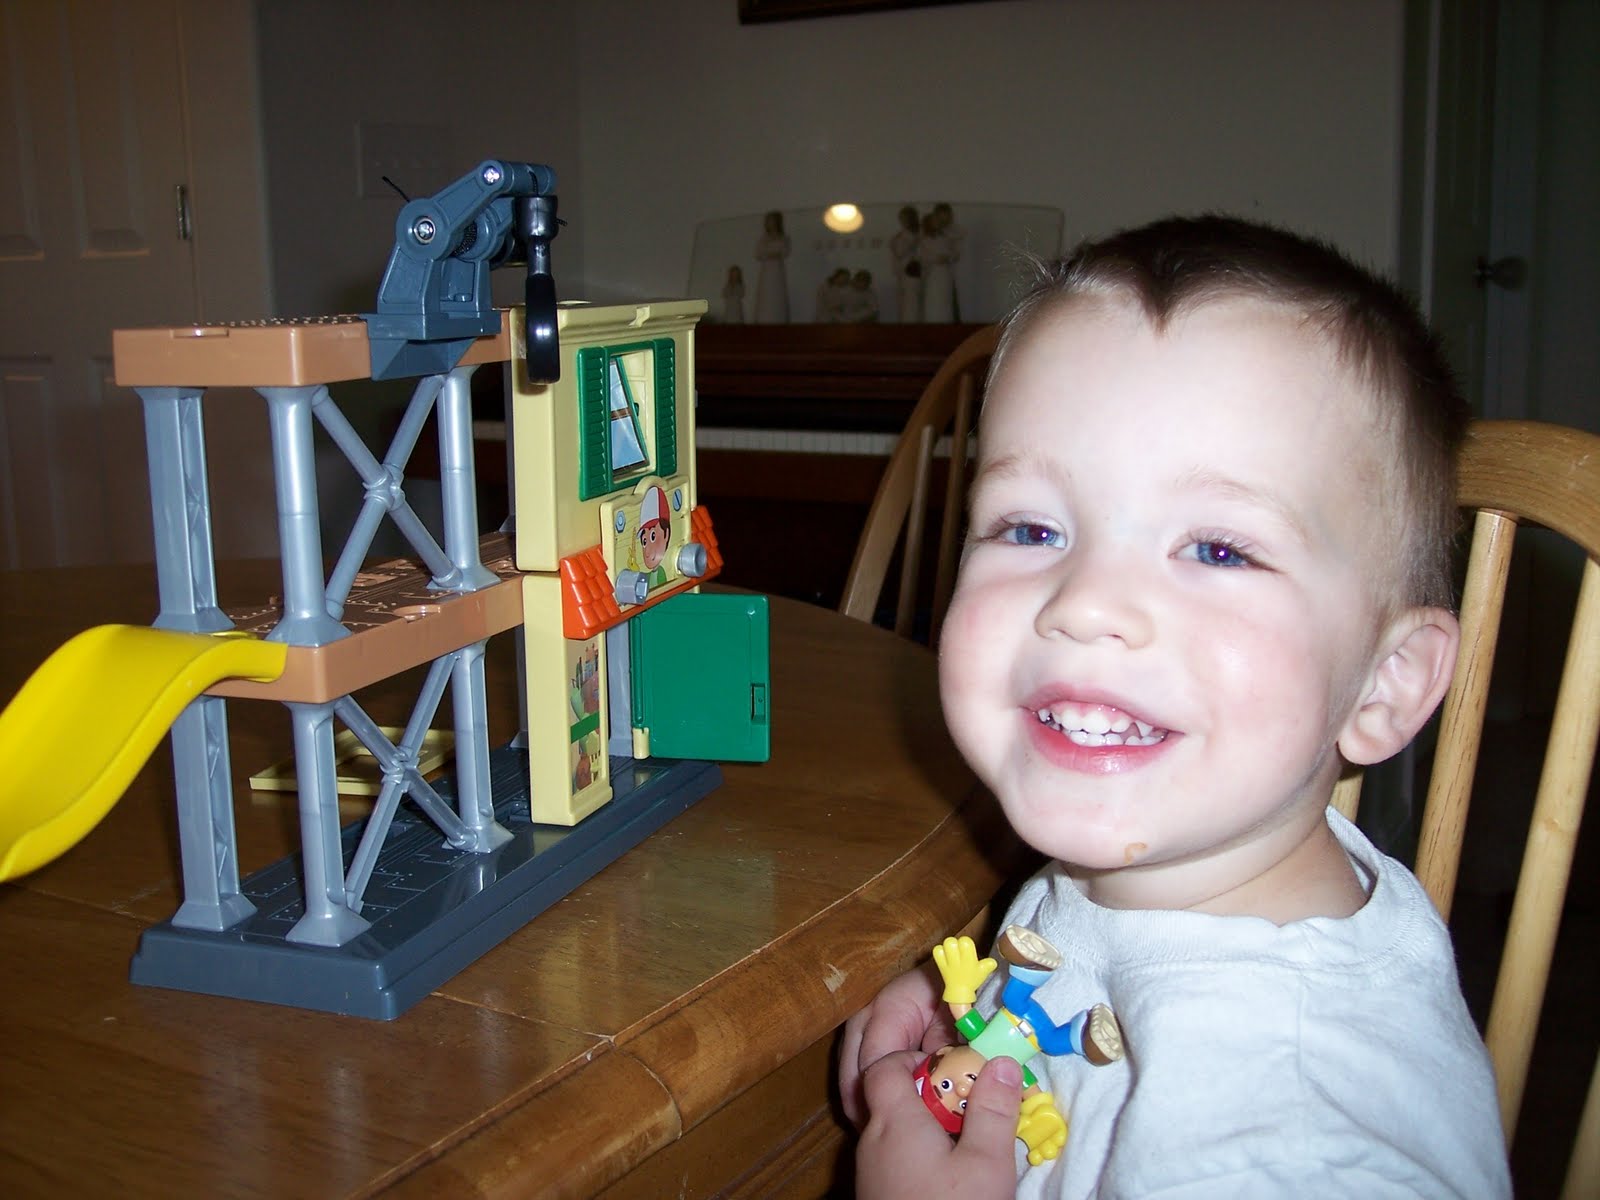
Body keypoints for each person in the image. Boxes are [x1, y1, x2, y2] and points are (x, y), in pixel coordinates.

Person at [839, 214, 1510, 1199]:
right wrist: (977, 1023)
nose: (1084, 604)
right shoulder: (1176, 863)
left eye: (1218, 550)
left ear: (1386, 682)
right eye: (1030, 528)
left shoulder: (1293, 1145)